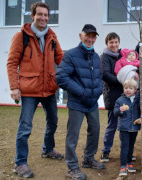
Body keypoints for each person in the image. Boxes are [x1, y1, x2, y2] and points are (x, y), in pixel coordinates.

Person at [6, 2, 64, 178]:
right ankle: (20, 163)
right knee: (25, 127)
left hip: (49, 88)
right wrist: (14, 87)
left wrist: (75, 73)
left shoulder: (52, 36)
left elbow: (61, 59)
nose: (43, 18)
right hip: (29, 90)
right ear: (32, 16)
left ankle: (47, 149)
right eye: (40, 14)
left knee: (53, 121)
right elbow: (12, 63)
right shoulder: (21, 36)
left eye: (46, 15)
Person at [55, 24, 104, 180]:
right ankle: (72, 167)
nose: (90, 39)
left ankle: (88, 159)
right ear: (80, 36)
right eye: (87, 36)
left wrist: (98, 91)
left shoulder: (96, 57)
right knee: (73, 135)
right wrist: (81, 92)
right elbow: (61, 78)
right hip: (77, 102)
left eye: (93, 36)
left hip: (92, 103)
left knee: (95, 130)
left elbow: (99, 78)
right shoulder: (71, 55)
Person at [100, 32, 123, 163]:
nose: (114, 45)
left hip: (124, 95)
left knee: (125, 126)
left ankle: (126, 151)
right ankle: (105, 152)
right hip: (112, 95)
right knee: (112, 125)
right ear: (107, 44)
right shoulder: (104, 57)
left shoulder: (122, 55)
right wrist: (122, 81)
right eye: (111, 42)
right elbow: (105, 75)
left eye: (116, 42)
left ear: (119, 43)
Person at [113, 79, 142, 177]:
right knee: (124, 146)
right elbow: (115, 112)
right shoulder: (120, 100)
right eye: (126, 88)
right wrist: (120, 110)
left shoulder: (138, 100)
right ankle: (123, 165)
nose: (128, 90)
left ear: (135, 90)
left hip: (134, 127)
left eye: (130, 88)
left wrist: (141, 119)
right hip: (124, 128)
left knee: (131, 146)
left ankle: (129, 162)